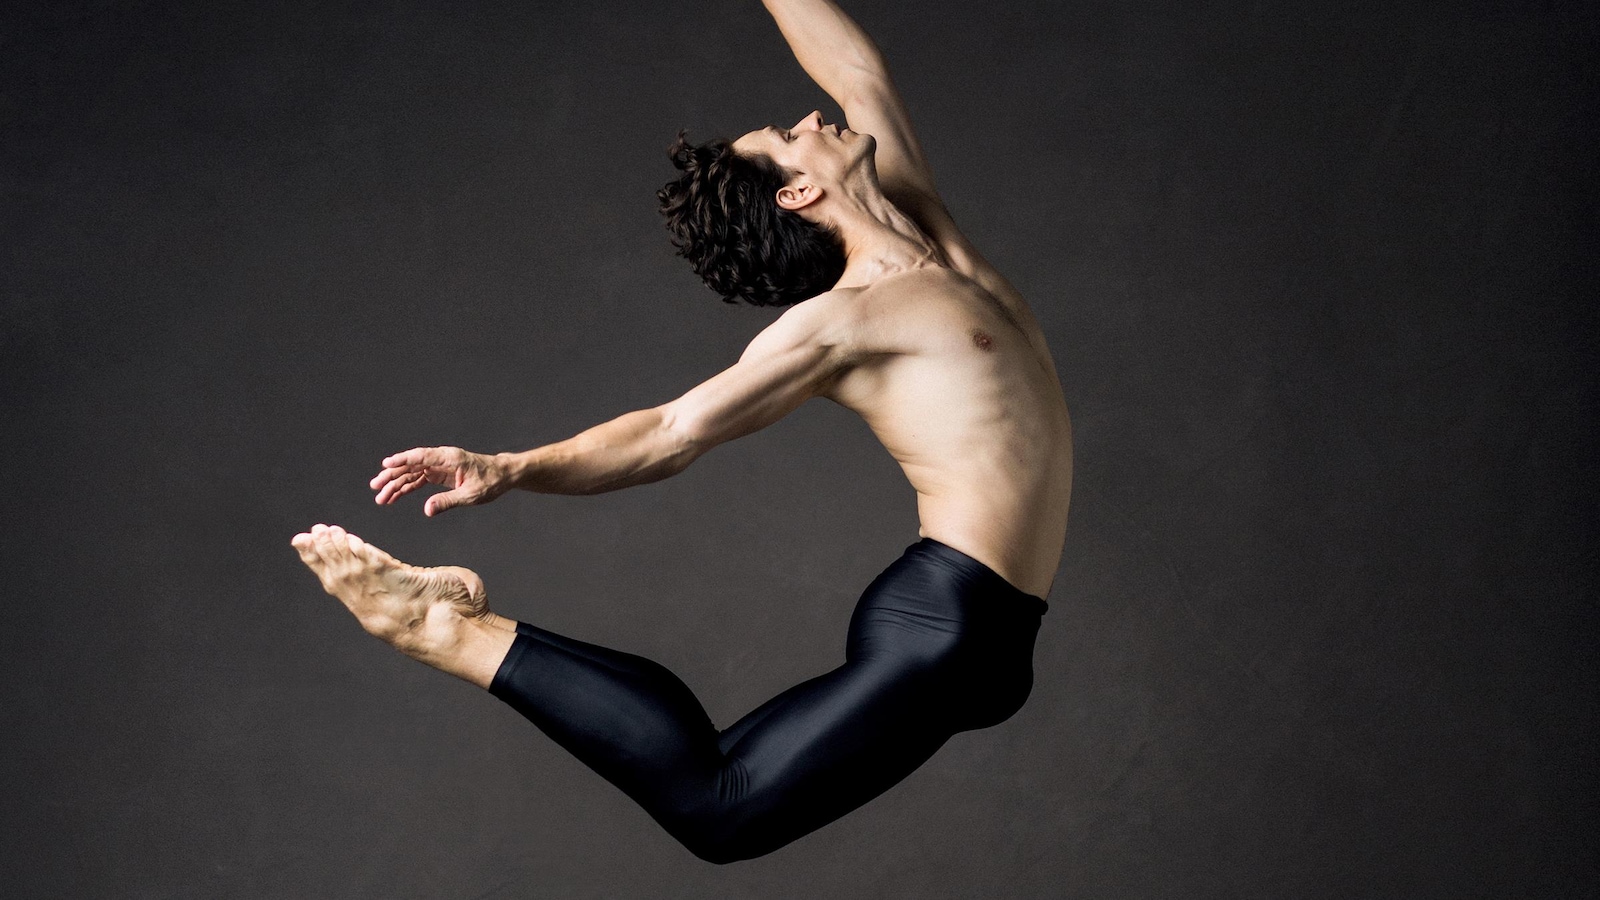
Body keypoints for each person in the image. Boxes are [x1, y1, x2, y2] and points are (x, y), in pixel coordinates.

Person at [291, 0, 1072, 864]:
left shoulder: (926, 230)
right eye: (791, 130)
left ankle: (458, 632)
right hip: (946, 624)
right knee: (719, 806)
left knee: (723, 773)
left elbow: (856, 71)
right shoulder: (842, 322)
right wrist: (513, 467)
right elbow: (671, 430)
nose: (816, 118)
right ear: (798, 189)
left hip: (998, 633)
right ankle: (444, 630)